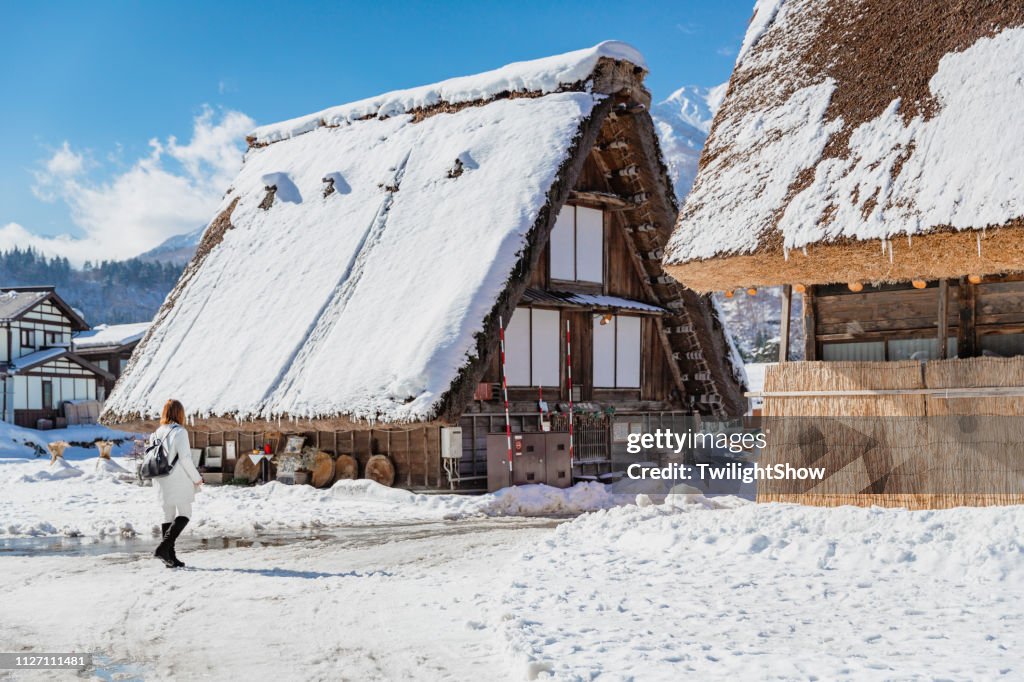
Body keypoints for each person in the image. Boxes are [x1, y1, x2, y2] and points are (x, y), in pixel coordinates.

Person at [151, 399, 202, 568]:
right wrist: (196, 478)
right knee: (185, 513)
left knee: (168, 516)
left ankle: (170, 558)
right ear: (180, 413)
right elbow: (185, 458)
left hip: (160, 478)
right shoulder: (180, 432)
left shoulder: (157, 432)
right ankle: (163, 548)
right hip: (177, 478)